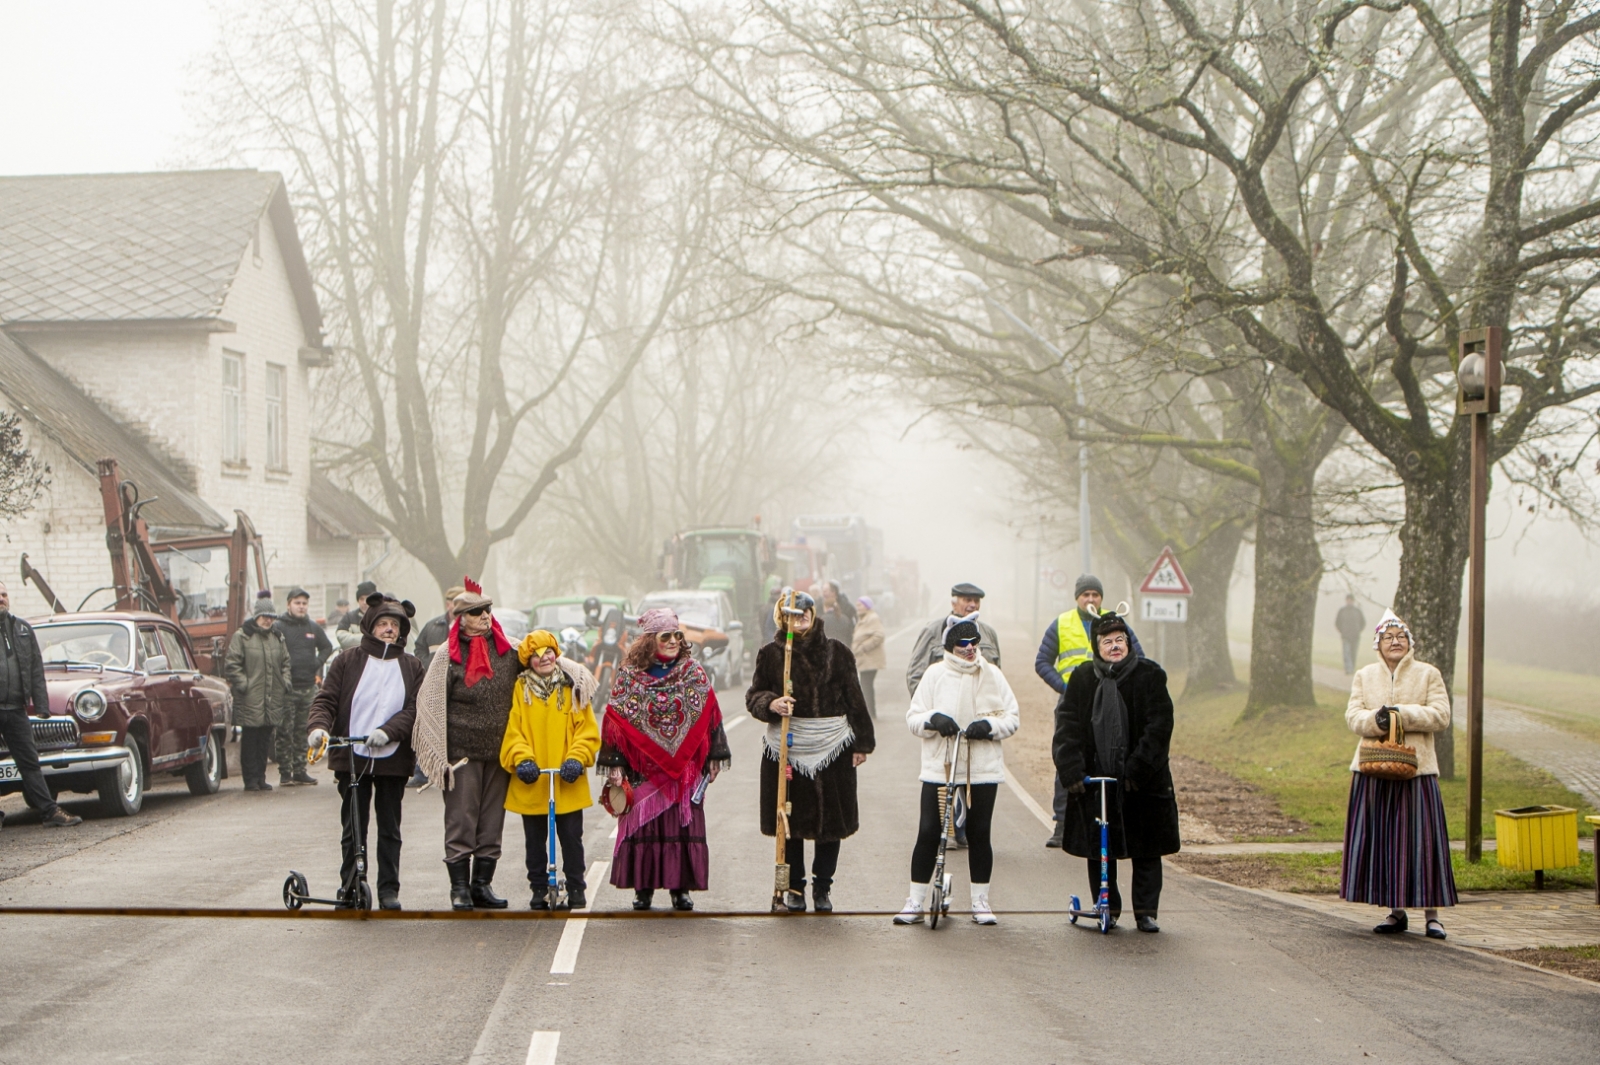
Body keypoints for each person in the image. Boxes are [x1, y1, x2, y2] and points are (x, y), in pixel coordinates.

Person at [747, 590, 875, 913]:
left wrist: (862, 743)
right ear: (782, 618)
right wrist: (772, 703)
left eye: (804, 612)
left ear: (813, 614)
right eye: (792, 614)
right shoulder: (771, 655)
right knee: (788, 825)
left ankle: (822, 888)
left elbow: (855, 700)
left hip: (833, 750)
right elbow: (754, 696)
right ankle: (793, 889)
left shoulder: (838, 653)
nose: (799, 617)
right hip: (786, 752)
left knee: (830, 824)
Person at [1052, 610, 1179, 933]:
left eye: (1120, 640)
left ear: (1128, 642)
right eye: (1107, 641)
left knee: (1147, 850)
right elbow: (1067, 727)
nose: (1115, 646)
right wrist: (1073, 771)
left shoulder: (1150, 675)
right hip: (1097, 780)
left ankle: (1146, 911)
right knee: (1100, 849)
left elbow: (1160, 726)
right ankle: (1108, 905)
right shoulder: (1082, 678)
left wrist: (1139, 769)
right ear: (1097, 646)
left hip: (1142, 781)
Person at [599, 608, 730, 912]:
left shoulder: (693, 671)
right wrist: (615, 764)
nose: (673, 641)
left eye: (677, 635)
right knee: (644, 826)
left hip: (683, 771)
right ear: (649, 640)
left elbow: (710, 713)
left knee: (680, 826)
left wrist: (715, 754)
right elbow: (615, 722)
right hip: (642, 769)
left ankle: (679, 889)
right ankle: (643, 889)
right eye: (666, 636)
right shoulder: (630, 674)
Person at [894, 619, 1020, 925]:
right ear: (950, 647)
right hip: (941, 767)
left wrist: (989, 726)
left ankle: (980, 902)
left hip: (982, 769)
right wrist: (933, 719)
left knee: (979, 834)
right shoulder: (935, 674)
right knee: (928, 832)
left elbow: (1012, 717)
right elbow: (913, 717)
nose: (969, 649)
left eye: (974, 643)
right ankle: (915, 901)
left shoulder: (991, 674)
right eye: (963, 644)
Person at [1341, 610, 1456, 939]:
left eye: (1401, 637)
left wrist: (1401, 713)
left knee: (1422, 842)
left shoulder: (1428, 674)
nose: (1395, 643)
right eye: (1388, 638)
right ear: (1378, 643)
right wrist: (1377, 720)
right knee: (1387, 843)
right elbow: (1353, 717)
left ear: (1410, 643)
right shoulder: (1365, 676)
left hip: (1417, 771)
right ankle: (1396, 911)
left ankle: (1433, 915)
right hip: (1373, 769)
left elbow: (1441, 715)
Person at [306, 593, 422, 910]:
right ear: (370, 626)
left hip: (393, 758)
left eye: (394, 625)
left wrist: (388, 731)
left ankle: (388, 890)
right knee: (353, 826)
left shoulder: (412, 666)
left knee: (390, 827)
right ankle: (352, 886)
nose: (389, 629)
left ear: (402, 630)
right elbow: (326, 700)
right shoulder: (347, 660)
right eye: (383, 623)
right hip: (353, 757)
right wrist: (318, 728)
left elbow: (415, 710)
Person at [413, 578, 521, 910]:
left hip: (499, 751)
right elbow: (429, 702)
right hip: (461, 754)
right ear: (461, 618)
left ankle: (481, 886)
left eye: (487, 610)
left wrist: (576, 674)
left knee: (491, 822)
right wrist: (437, 754)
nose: (485, 617)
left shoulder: (509, 648)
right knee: (462, 819)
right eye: (476, 612)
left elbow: (547, 659)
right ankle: (458, 888)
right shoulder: (447, 655)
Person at [1034, 574, 1144, 848]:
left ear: (1102, 597)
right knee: (1068, 760)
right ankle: (1062, 824)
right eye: (1086, 595)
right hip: (1074, 704)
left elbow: (1138, 657)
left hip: (1112, 704)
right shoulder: (1061, 623)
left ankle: (1114, 823)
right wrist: (1064, 688)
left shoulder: (1115, 621)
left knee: (1114, 759)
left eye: (1096, 594)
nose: (1091, 599)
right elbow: (1042, 662)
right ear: (1077, 598)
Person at [500, 630, 601, 910]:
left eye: (548, 653)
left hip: (566, 778)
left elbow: (586, 730)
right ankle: (539, 887)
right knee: (534, 841)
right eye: (536, 654)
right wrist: (523, 760)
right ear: (528, 660)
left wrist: (576, 759)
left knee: (571, 837)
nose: (544, 658)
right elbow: (514, 731)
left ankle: (577, 886)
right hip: (534, 779)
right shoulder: (521, 689)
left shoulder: (572, 687)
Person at [0, 580, 82, 828]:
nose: (1, 598)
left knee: (30, 762)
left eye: (4, 593)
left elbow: (36, 668)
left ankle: (49, 812)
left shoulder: (22, 629)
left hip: (15, 709)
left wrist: (42, 706)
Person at [224, 597, 292, 792]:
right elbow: (232, 664)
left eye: (271, 617)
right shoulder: (243, 636)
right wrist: (244, 685)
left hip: (272, 698)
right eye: (264, 616)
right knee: (250, 740)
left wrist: (284, 683)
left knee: (264, 739)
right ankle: (250, 780)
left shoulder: (277, 637)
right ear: (256, 616)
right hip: (250, 698)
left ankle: (261, 778)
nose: (268, 620)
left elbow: (286, 662)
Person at [275, 588, 334, 787]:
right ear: (288, 604)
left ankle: (300, 770)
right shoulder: (279, 626)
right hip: (286, 688)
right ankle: (285, 772)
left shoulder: (312, 627)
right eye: (297, 603)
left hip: (308, 686)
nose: (301, 607)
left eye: (304, 603)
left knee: (303, 730)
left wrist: (316, 662)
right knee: (285, 730)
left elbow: (327, 646)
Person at [906, 582, 1000, 696]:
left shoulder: (989, 633)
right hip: (943, 709)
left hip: (980, 709)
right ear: (953, 604)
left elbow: (997, 677)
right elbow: (915, 676)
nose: (973, 605)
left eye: (976, 601)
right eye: (968, 600)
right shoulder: (932, 632)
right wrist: (930, 708)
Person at [414, 586, 466, 671]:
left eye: (463, 604)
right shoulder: (432, 626)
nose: (460, 607)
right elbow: (419, 649)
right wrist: (427, 666)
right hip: (436, 680)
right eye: (456, 603)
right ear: (448, 605)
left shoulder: (472, 627)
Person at [851, 596, 887, 720]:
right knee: (865, 684)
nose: (857, 608)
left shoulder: (872, 618)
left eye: (860, 605)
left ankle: (870, 712)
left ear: (867, 606)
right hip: (865, 658)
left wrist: (864, 647)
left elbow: (879, 635)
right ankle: (869, 711)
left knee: (866, 684)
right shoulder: (864, 618)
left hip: (870, 658)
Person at [819, 579, 857, 650]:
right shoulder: (818, 606)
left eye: (825, 591)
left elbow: (852, 628)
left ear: (834, 592)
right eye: (822, 591)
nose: (823, 594)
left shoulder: (846, 606)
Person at [1336, 595, 1367, 675]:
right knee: (1346, 652)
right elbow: (1337, 622)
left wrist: (1358, 630)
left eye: (1350, 600)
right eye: (1348, 600)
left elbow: (1363, 623)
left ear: (1353, 601)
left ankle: (1352, 668)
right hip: (1345, 636)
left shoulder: (1357, 611)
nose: (1349, 601)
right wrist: (1342, 631)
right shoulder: (1342, 611)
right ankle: (1348, 669)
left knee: (1353, 653)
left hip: (1355, 636)